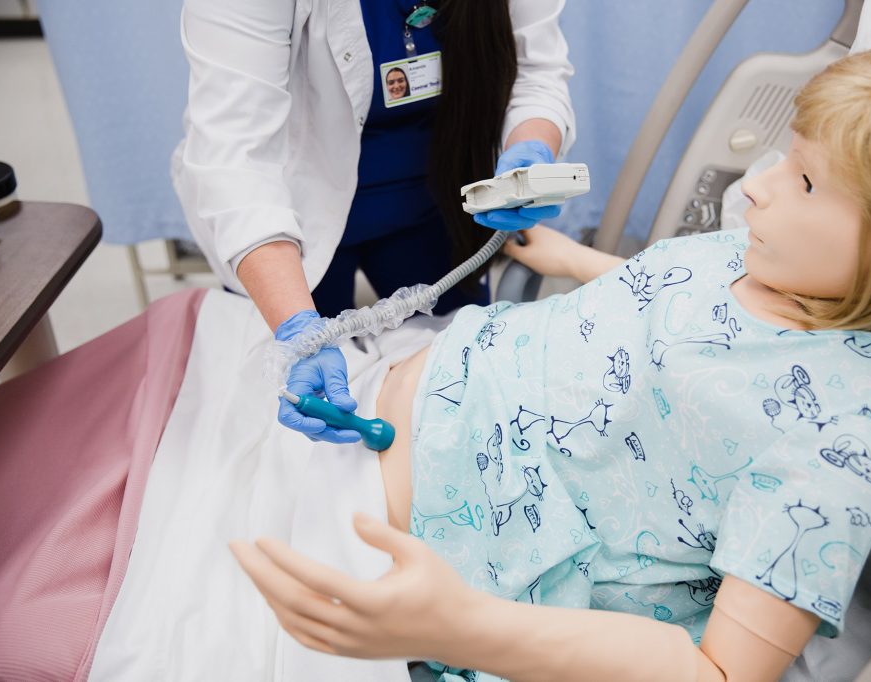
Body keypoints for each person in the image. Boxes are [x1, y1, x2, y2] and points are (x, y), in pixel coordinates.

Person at [231, 44, 871, 682]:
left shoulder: (838, 433)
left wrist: (462, 627)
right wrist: (575, 261)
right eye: (783, 158)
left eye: (805, 180)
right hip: (393, 389)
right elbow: (680, 311)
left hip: (413, 546)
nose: (756, 187)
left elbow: (723, 672)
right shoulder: (778, 263)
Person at [172, 0, 575, 440]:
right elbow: (237, 160)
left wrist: (530, 148)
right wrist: (296, 329)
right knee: (287, 425)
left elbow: (535, 72)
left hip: (431, 201)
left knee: (462, 389)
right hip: (286, 219)